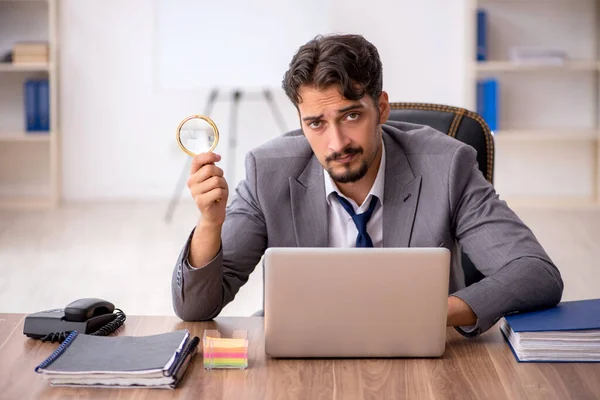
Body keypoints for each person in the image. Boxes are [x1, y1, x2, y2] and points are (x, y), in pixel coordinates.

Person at [171, 34, 563, 337]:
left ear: (383, 108)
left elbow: (534, 273)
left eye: (352, 115)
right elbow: (195, 308)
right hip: (303, 345)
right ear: (301, 120)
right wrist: (209, 224)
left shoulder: (448, 165)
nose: (337, 143)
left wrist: (428, 314)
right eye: (316, 123)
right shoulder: (265, 171)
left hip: (422, 344)